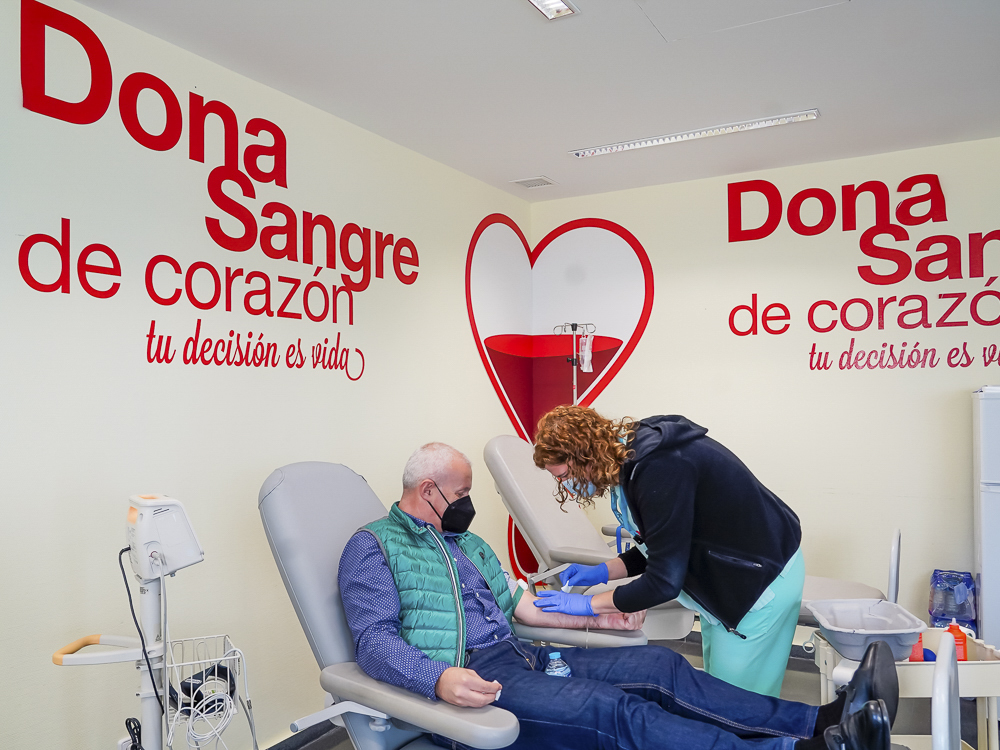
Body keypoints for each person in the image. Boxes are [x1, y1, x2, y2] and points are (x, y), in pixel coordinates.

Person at [338, 442, 897, 750]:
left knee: (660, 665)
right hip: (470, 680)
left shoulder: (469, 544)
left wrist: (597, 620)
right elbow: (374, 642)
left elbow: (522, 606)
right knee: (609, 709)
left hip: (524, 656)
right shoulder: (373, 546)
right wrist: (438, 679)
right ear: (428, 490)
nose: (468, 504)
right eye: (462, 493)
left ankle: (818, 719)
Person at [531, 405, 805, 697]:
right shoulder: (629, 458)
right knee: (718, 693)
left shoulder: (658, 467)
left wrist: (588, 605)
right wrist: (604, 571)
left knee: (739, 706)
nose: (565, 487)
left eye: (564, 476)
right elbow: (660, 544)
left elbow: (664, 582)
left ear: (584, 456)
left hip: (757, 585)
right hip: (724, 579)